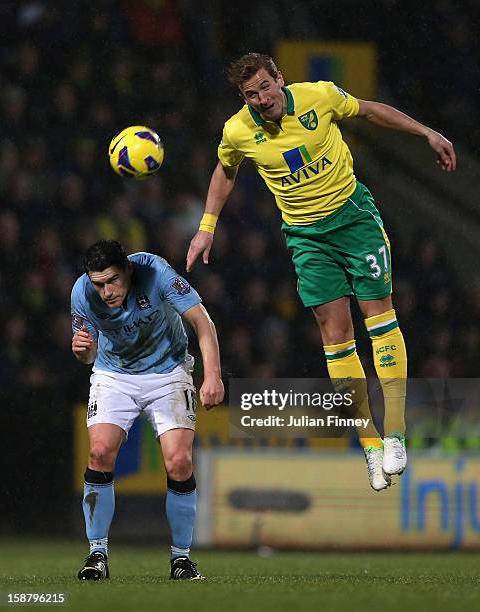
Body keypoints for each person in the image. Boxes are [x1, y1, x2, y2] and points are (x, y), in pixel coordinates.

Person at [186, 53, 456, 491]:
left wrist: (427, 132)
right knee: (335, 335)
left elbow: (370, 110)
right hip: (306, 237)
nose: (261, 99)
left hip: (353, 220)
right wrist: (206, 227)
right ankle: (370, 446)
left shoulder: (319, 96)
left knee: (379, 317)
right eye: (250, 94)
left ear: (280, 79)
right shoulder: (239, 130)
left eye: (265, 87)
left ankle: (396, 434)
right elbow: (225, 168)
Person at [71, 239, 223, 580]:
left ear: (128, 269)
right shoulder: (81, 293)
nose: (106, 291)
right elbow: (88, 355)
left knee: (179, 461)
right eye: (99, 284)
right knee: (99, 453)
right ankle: (97, 555)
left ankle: (181, 559)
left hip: (168, 371)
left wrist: (211, 375)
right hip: (115, 375)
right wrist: (82, 350)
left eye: (112, 281)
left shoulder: (156, 272)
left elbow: (203, 323)